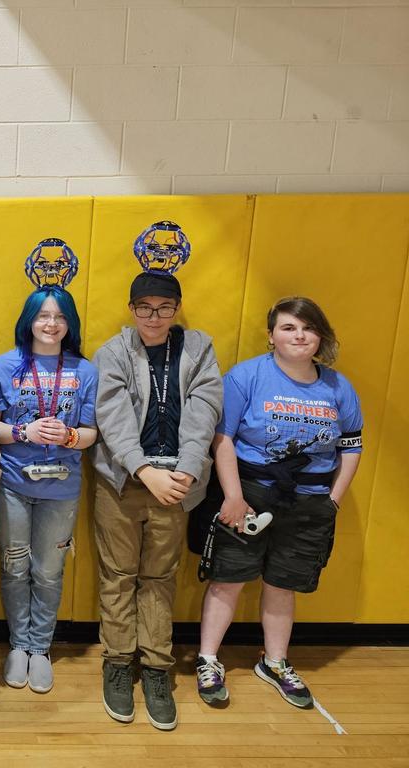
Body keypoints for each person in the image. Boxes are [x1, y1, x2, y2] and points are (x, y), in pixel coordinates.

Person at [196, 297, 362, 709]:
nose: (299, 335)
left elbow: (352, 446)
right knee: (228, 579)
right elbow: (223, 439)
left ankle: (274, 662)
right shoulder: (246, 376)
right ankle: (208, 659)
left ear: (320, 336)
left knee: (283, 585)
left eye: (307, 328)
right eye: (288, 327)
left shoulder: (338, 387)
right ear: (271, 336)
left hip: (309, 501)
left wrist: (333, 502)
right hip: (250, 493)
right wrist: (233, 497)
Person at [91, 270, 222, 730]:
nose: (154, 316)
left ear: (177, 307)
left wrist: (184, 471)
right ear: (132, 310)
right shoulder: (114, 352)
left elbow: (204, 410)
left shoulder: (199, 349)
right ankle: (118, 661)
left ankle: (157, 668)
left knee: (160, 577)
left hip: (177, 484)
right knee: (119, 574)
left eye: (164, 307)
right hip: (124, 481)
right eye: (144, 307)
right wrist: (145, 471)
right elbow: (112, 416)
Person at [0, 285, 98, 693]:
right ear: (29, 320)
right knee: (15, 567)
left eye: (60, 317)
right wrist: (22, 430)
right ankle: (18, 644)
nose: (51, 324)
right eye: (43, 316)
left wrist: (68, 436)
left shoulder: (85, 371)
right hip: (12, 484)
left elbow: (91, 433)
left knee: (49, 571)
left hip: (62, 488)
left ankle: (40, 647)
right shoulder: (3, 366)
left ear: (70, 324)